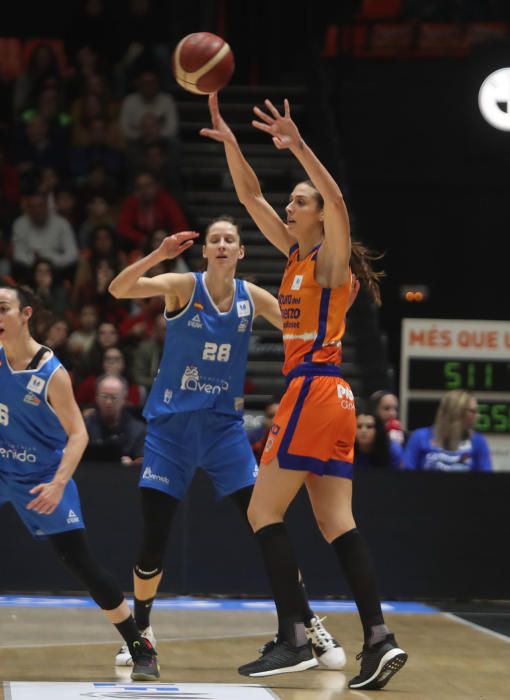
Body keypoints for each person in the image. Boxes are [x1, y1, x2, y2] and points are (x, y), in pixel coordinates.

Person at [201, 93, 407, 689]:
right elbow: (248, 198)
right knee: (337, 523)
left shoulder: (328, 263)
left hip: (314, 390)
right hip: (333, 399)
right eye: (290, 199)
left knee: (263, 510)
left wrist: (298, 145)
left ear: (319, 215)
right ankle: (379, 639)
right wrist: (236, 145)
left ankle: (294, 636)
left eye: (299, 201)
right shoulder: (293, 255)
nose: (288, 206)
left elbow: (339, 199)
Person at [108, 218, 345, 673]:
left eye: (229, 240)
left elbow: (302, 322)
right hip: (171, 430)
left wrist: (330, 296)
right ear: (205, 252)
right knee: (154, 538)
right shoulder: (182, 285)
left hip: (223, 431)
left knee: (267, 526)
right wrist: (159, 253)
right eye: (214, 239)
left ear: (240, 252)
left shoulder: (252, 297)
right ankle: (142, 635)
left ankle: (307, 623)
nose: (220, 244)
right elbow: (120, 289)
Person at [0, 283, 158, 680]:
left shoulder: (52, 372)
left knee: (80, 563)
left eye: (2, 308)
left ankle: (140, 646)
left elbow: (79, 435)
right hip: (3, 467)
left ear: (25, 315)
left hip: (43, 477)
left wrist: (57, 485)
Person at [403, 389, 492, 472]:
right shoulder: (419, 437)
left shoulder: (478, 442)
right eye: (473, 411)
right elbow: (406, 478)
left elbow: (487, 482)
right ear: (456, 412)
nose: (478, 416)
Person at [84, 374, 145, 465]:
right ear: (96, 397)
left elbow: (144, 464)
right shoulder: (83, 427)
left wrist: (132, 465)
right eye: (104, 396)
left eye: (114, 398)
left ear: (124, 399)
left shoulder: (138, 430)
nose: (108, 402)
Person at [247, 398, 280, 463]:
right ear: (264, 419)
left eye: (279, 416)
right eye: (270, 416)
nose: (274, 420)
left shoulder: (294, 439)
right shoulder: (251, 437)